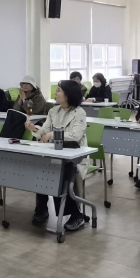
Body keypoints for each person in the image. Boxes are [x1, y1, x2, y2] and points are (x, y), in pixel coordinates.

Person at [26, 80, 87, 231]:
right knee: (42, 169)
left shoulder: (79, 112)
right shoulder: (53, 111)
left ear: (68, 95)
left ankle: (76, 215)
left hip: (75, 155)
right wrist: (34, 129)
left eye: (59, 90)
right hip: (55, 153)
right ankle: (41, 209)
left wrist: (53, 134)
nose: (56, 92)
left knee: (60, 173)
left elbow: (75, 136)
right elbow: (44, 130)